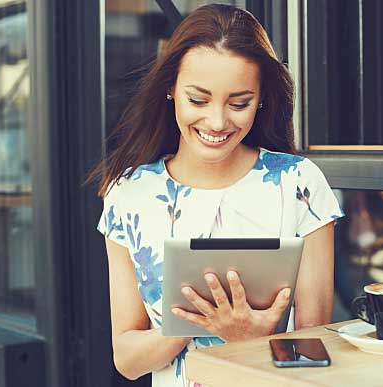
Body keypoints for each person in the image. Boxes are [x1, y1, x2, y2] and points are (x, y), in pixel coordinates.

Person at [88, 4, 343, 386]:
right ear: (171, 89)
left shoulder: (298, 183)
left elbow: (314, 345)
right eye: (198, 100)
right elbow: (126, 359)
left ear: (261, 99)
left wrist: (252, 337)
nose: (218, 122)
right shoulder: (130, 194)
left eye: (239, 103)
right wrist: (193, 323)